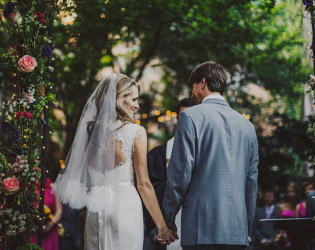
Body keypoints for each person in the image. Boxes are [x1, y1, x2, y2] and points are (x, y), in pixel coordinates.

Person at [53, 74, 175, 250]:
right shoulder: (136, 132)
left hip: (96, 208)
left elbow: (84, 175)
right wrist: (162, 227)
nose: (137, 105)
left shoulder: (89, 133)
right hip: (125, 208)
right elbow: (144, 185)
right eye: (133, 99)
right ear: (119, 98)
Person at [161, 61, 259, 250]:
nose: (192, 94)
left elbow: (180, 175)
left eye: (193, 88)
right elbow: (251, 182)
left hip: (201, 230)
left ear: (203, 82)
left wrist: (167, 219)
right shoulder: (247, 126)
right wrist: (247, 230)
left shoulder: (190, 117)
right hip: (237, 233)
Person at [143, 98, 197, 250]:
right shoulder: (158, 155)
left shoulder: (208, 152)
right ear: (177, 118)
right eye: (184, 116)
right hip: (169, 222)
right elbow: (149, 187)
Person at [32, 178, 63, 250]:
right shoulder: (29, 188)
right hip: (33, 230)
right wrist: (33, 225)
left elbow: (59, 211)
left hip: (50, 229)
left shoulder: (53, 187)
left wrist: (50, 225)